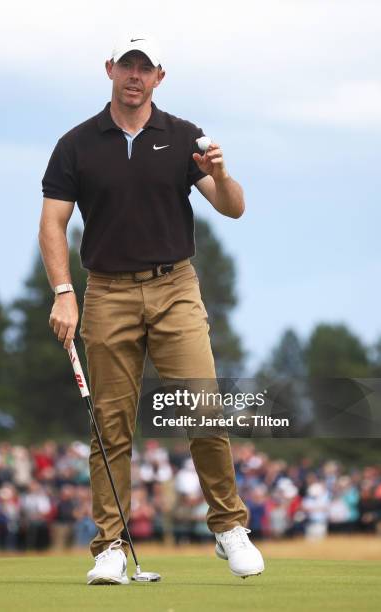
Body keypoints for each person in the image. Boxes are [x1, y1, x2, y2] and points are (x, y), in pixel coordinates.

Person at [40, 33, 264, 585]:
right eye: (127, 65)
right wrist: (63, 292)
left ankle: (229, 528)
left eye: (146, 68)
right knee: (109, 427)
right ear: (110, 69)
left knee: (202, 407)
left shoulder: (186, 136)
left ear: (159, 77)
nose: (135, 76)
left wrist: (222, 170)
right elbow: (53, 222)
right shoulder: (76, 144)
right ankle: (110, 547)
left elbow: (232, 209)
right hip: (107, 293)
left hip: (175, 287)